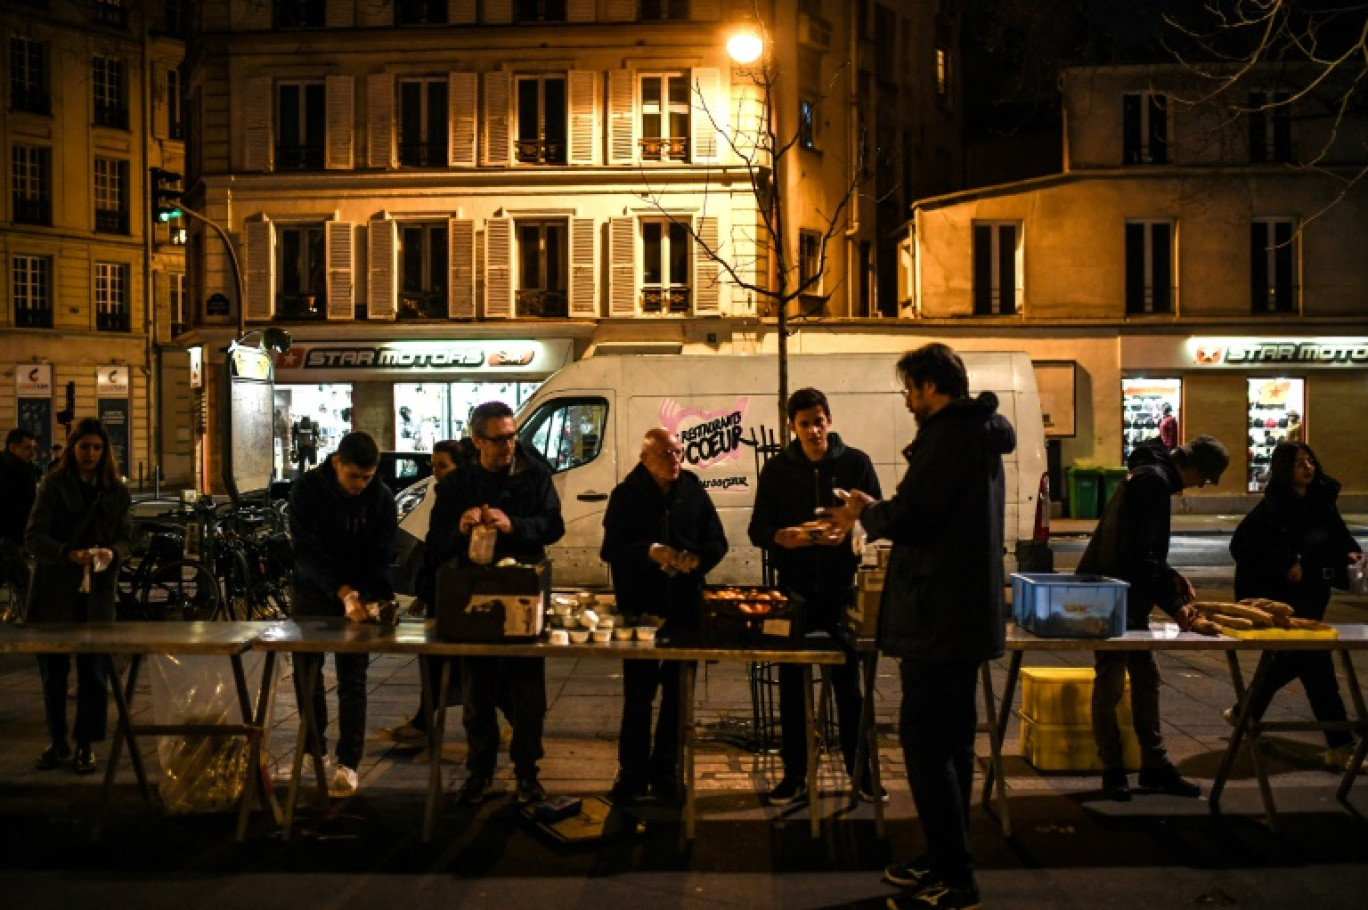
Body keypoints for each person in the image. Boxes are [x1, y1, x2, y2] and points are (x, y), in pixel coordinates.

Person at [824, 344, 1015, 910]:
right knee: (951, 744)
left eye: (911, 388)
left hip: (938, 617)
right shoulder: (973, 434)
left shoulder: (951, 436)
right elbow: (931, 508)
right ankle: (945, 855)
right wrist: (879, 507)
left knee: (926, 745)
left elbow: (917, 516)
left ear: (932, 386)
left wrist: (867, 514)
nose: (908, 398)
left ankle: (955, 877)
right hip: (959, 617)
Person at [747, 388, 883, 805]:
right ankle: (795, 774)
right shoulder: (776, 470)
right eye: (804, 423)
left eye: (819, 420)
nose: (813, 430)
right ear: (793, 427)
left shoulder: (855, 464)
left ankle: (861, 774)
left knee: (849, 686)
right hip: (794, 593)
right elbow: (757, 529)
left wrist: (851, 532)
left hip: (842, 590)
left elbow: (878, 519)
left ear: (830, 419)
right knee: (792, 686)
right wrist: (781, 538)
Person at [424, 402, 564, 805]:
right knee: (478, 690)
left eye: (512, 435)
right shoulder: (457, 484)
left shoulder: (533, 475)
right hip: (475, 596)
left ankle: (526, 771)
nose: (508, 445)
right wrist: (460, 527)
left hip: (522, 592)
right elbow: (436, 545)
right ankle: (479, 770)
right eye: (499, 438)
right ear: (478, 440)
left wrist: (513, 525)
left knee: (527, 692)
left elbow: (553, 526)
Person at [1078, 434, 1230, 802]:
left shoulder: (1147, 473)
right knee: (1113, 684)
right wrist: (1175, 603)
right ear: (1193, 467)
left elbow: (1143, 551)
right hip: (1116, 599)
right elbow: (1141, 554)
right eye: (1205, 479)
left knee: (1145, 678)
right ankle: (1115, 770)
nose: (1199, 486)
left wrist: (1169, 574)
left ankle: (1153, 767)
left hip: (1120, 593)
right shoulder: (1155, 483)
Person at [601, 427, 727, 805]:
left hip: (684, 609)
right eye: (665, 454)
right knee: (638, 694)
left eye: (677, 452)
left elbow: (717, 541)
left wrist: (698, 559)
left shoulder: (693, 492)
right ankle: (632, 771)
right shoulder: (626, 496)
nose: (674, 460)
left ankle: (667, 770)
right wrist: (649, 552)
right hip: (641, 609)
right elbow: (611, 550)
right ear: (645, 459)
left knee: (678, 695)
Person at [1229, 442, 1364, 771]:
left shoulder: (1321, 501)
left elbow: (1338, 536)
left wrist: (1352, 554)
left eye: (1311, 461)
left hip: (1314, 592)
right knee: (1314, 661)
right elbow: (1242, 545)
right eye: (1300, 463)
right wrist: (1288, 559)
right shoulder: (1273, 506)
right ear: (1284, 469)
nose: (1308, 468)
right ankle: (1341, 745)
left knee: (1292, 659)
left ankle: (1245, 712)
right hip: (1282, 598)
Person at [289, 430, 397, 798]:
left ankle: (348, 762)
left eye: (368, 477)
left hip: (358, 598)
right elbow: (305, 552)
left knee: (353, 679)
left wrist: (372, 596)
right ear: (337, 463)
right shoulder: (307, 489)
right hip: (312, 595)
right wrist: (342, 591)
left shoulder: (380, 497)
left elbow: (382, 553)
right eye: (354, 477)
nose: (361, 485)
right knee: (307, 676)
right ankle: (312, 748)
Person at [24, 418, 132, 775]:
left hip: (97, 593)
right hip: (54, 592)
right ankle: (58, 742)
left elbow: (128, 537)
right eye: (84, 447)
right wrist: (68, 553)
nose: (90, 454)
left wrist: (112, 553)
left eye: (97, 448)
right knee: (53, 674)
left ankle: (86, 744)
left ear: (105, 452)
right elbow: (34, 536)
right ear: (73, 448)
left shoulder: (116, 490)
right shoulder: (53, 486)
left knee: (94, 672)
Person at [386, 438, 473, 745]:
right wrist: (423, 592)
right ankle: (424, 722)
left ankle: (428, 724)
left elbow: (443, 549)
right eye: (433, 466)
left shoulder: (465, 498)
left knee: (463, 663)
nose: (436, 472)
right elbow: (434, 548)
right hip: (441, 590)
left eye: (443, 466)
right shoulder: (443, 496)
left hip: (458, 591)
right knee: (436, 661)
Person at [1, 428, 42, 619]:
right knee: (27, 584)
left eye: (33, 448)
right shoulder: (10, 471)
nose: (32, 453)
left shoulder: (27, 471)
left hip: (15, 539)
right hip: (6, 540)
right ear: (12, 448)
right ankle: (33, 629)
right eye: (27, 448)